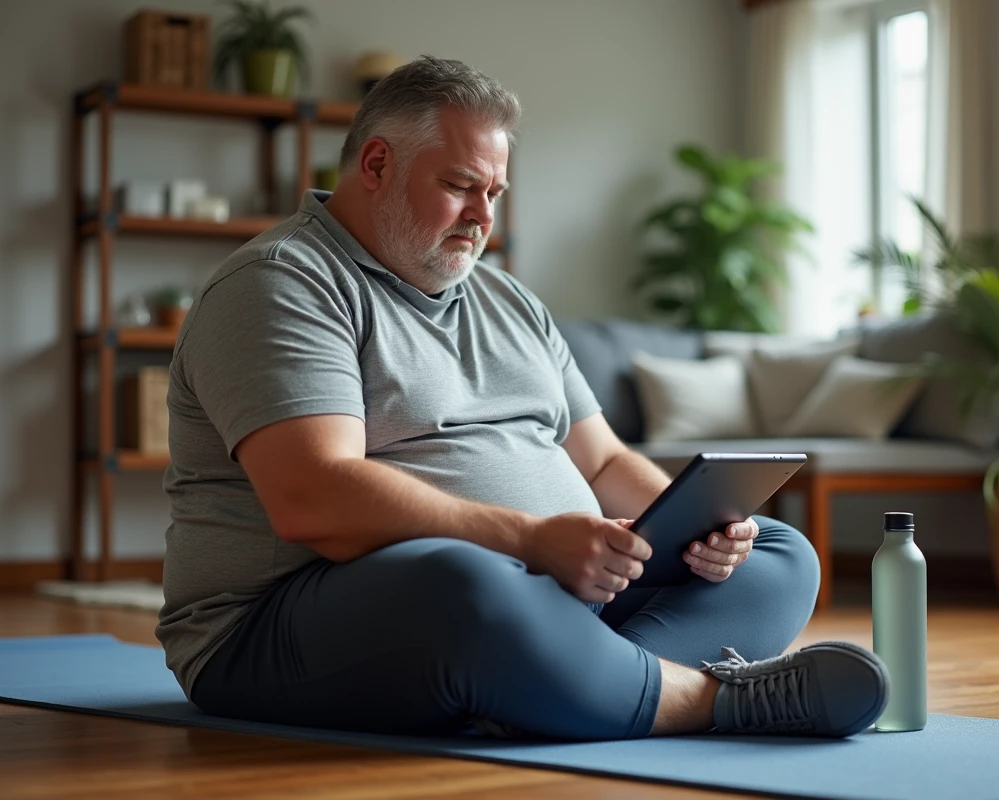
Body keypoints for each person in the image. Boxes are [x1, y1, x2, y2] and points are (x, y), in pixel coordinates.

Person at [156, 55, 889, 741]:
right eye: (459, 186)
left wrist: (698, 524)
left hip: (545, 593)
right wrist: (533, 543)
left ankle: (562, 685)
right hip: (280, 627)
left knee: (777, 555)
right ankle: (710, 702)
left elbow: (601, 462)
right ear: (376, 163)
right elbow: (315, 498)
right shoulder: (282, 284)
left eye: (494, 193)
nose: (483, 216)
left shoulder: (507, 300)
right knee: (464, 581)